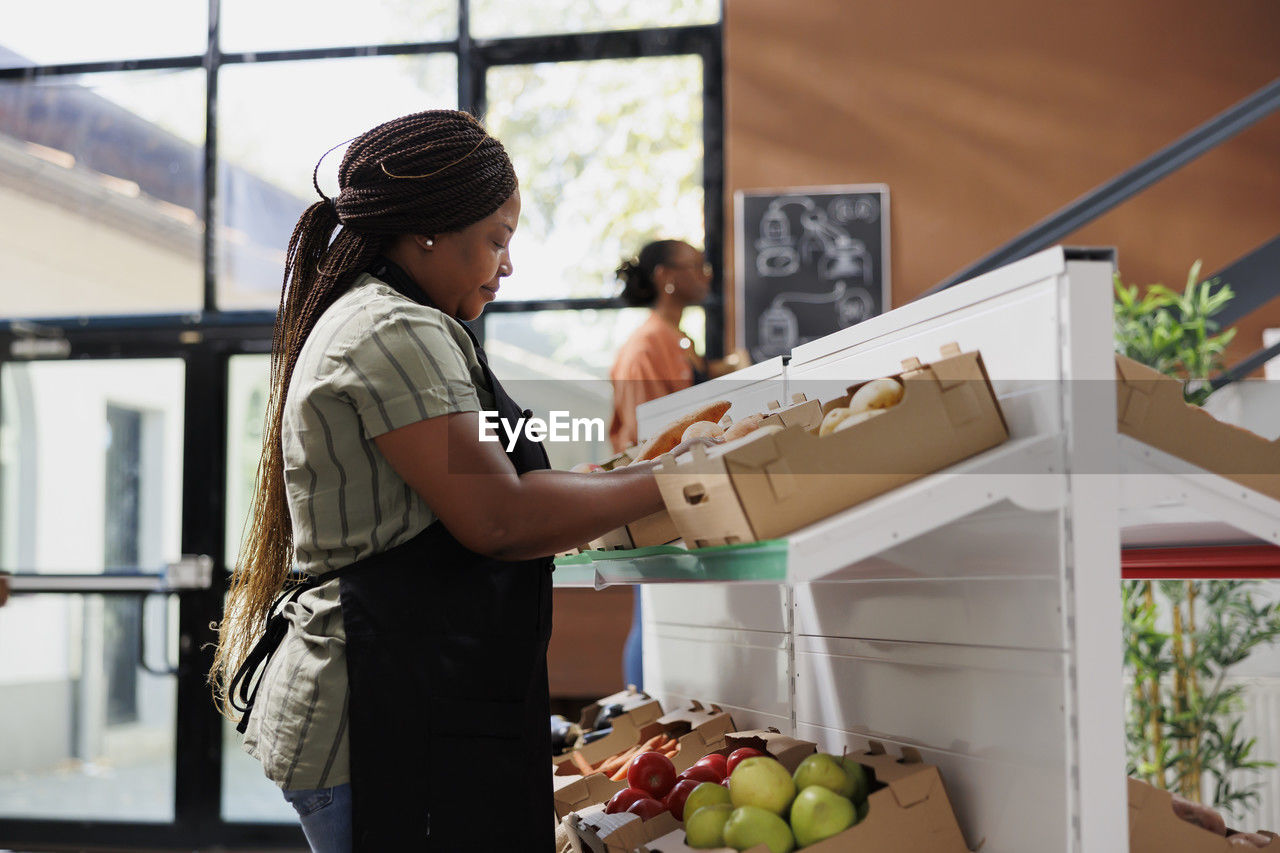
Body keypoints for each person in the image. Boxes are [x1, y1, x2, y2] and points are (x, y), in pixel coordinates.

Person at [210, 110, 701, 852]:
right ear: (429, 230)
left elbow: (486, 486)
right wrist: (684, 479)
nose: (506, 266)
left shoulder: (390, 320)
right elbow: (499, 517)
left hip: (388, 700)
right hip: (376, 717)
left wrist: (618, 477)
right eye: (497, 240)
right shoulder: (394, 329)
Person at [608, 239, 713, 454]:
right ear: (665, 275)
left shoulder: (679, 336)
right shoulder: (643, 349)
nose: (707, 275)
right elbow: (648, 439)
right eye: (697, 266)